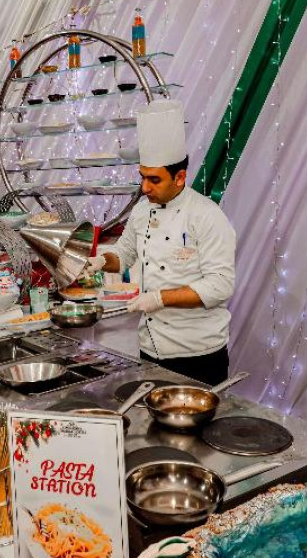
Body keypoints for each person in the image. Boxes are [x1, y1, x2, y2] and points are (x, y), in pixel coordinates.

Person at [84, 101, 236, 386]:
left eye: (154, 179)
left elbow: (220, 286)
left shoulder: (207, 216)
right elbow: (124, 254)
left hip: (197, 354)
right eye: (143, 177)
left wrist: (160, 298)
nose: (145, 187)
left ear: (180, 177)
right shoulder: (142, 211)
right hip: (150, 348)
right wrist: (102, 261)